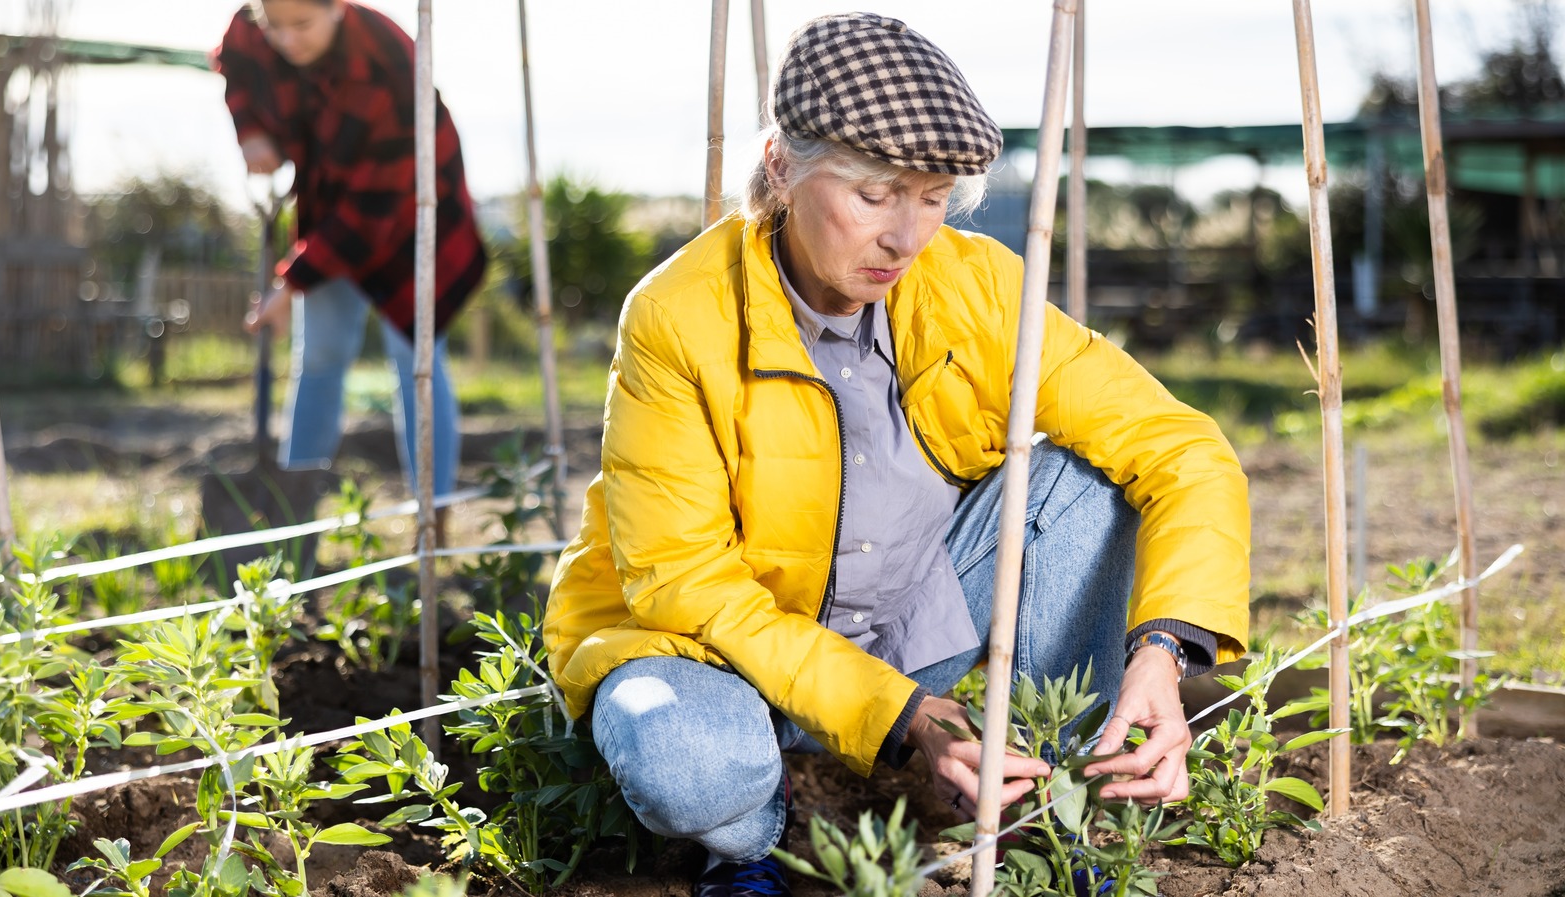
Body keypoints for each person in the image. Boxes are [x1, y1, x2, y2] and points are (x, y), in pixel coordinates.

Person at [543, 13, 1250, 897]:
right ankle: (754, 840)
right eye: (875, 193)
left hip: (907, 627)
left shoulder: (978, 285)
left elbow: (1182, 448)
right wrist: (904, 715)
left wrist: (1163, 650)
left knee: (1093, 484)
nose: (907, 236)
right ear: (781, 168)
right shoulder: (678, 316)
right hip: (719, 658)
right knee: (686, 761)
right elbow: (683, 579)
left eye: (933, 195)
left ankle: (1045, 813)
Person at [211, 0, 487, 501]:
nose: (289, 41)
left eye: (303, 26)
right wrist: (250, 131)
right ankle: (294, 511)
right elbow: (236, 64)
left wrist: (290, 283)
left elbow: (370, 210)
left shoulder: (390, 64)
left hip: (413, 212)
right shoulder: (252, 29)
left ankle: (433, 512)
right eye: (278, 29)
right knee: (318, 356)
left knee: (416, 361)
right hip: (329, 201)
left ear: (336, 7)